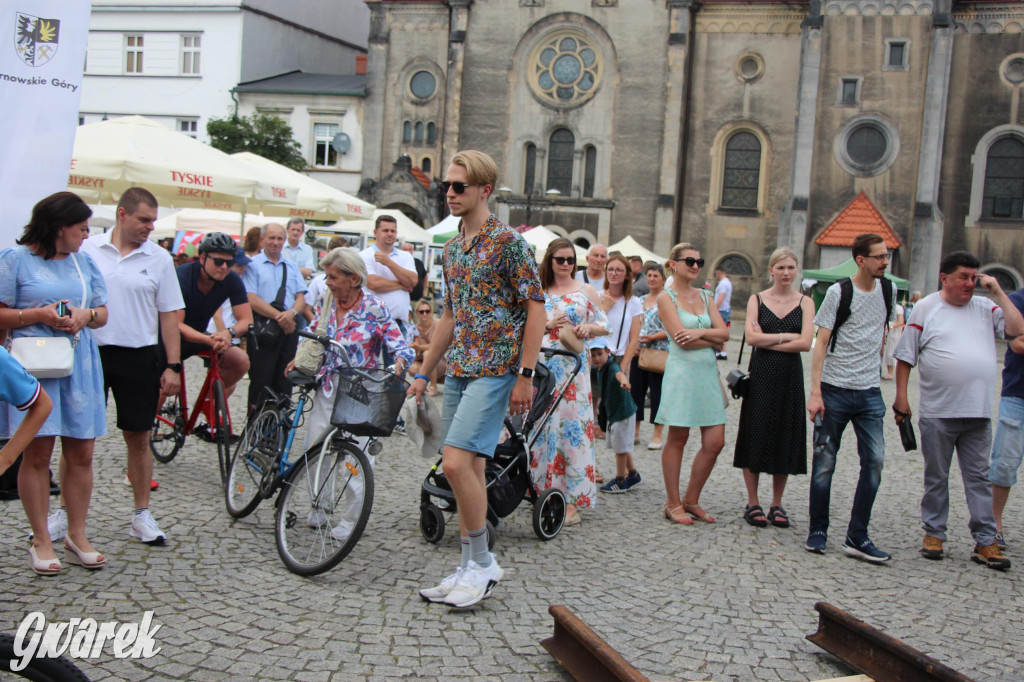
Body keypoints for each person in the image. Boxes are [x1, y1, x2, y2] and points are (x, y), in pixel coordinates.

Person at [411, 150, 545, 609]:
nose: (449, 193)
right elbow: (450, 315)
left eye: (458, 187)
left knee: (453, 463)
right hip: (462, 369)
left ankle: (483, 563)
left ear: (484, 190)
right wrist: (423, 371)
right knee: (466, 467)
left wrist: (525, 375)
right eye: (446, 186)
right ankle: (468, 566)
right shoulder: (451, 248)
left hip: (497, 368)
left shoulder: (508, 242)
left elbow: (536, 308)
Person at [0, 191, 109, 573]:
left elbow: (103, 312)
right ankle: (40, 538)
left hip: (78, 362)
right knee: (37, 455)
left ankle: (76, 533)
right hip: (34, 365)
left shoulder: (84, 262)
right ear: (59, 227)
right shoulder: (15, 260)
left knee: (82, 453)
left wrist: (86, 314)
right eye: (81, 228)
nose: (85, 234)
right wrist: (37, 314)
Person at [893, 251, 1023, 569]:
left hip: (977, 412)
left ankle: (986, 541)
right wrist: (901, 397)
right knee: (936, 476)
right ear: (945, 278)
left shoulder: (984, 307)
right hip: (939, 410)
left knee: (979, 478)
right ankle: (934, 533)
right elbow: (905, 357)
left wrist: (997, 291)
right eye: (963, 277)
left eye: (973, 278)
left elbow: (1017, 329)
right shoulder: (926, 308)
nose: (968, 283)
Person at [82, 187, 183, 546]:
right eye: (144, 219)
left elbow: (169, 314)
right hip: (90, 354)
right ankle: (64, 512)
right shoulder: (87, 248)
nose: (150, 227)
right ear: (122, 214)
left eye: (153, 221)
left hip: (139, 355)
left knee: (138, 437)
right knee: (79, 439)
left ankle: (141, 514)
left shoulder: (158, 258)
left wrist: (173, 365)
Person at [805, 233, 897, 562]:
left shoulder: (889, 289)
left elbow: (882, 332)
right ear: (861, 260)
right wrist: (815, 391)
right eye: (879, 257)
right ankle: (818, 530)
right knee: (824, 465)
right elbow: (821, 342)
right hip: (835, 390)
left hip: (870, 392)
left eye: (886, 256)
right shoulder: (838, 292)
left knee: (874, 462)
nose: (885, 261)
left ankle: (857, 536)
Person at [289, 248, 413, 452]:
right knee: (315, 451)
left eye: (333, 277)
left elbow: (401, 347)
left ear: (353, 278)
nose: (327, 282)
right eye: (327, 276)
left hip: (360, 390)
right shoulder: (325, 300)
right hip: (327, 386)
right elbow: (312, 331)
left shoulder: (374, 308)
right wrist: (299, 356)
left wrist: (399, 364)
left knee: (355, 457)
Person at [732, 247, 814, 529]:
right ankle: (752, 501)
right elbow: (751, 337)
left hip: (790, 376)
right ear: (771, 270)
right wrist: (786, 336)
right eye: (781, 268)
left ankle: (777, 502)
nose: (786, 273)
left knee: (785, 433)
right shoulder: (757, 299)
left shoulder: (805, 302)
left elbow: (806, 343)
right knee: (755, 431)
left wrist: (770, 337)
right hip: (762, 374)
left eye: (791, 267)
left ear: (796, 269)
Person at [530, 238, 609, 524]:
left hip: (573, 370)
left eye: (571, 260)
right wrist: (547, 325)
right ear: (549, 260)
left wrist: (588, 327)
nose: (566, 265)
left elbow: (605, 324)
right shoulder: (538, 290)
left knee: (571, 431)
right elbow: (523, 325)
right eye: (560, 259)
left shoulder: (585, 290)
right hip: (542, 366)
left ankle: (571, 499)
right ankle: (539, 489)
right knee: (541, 427)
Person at [656, 243, 730, 525]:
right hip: (682, 373)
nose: (696, 266)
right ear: (673, 264)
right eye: (689, 261)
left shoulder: (706, 295)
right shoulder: (666, 298)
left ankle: (692, 498)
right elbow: (679, 340)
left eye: (700, 261)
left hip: (707, 373)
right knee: (678, 438)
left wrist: (700, 331)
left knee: (715, 441)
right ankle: (673, 502)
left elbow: (723, 336)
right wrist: (711, 335)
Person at [174, 233, 253, 405]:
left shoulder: (231, 279)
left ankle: (204, 406)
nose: (224, 267)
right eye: (218, 261)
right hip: (170, 337)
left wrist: (228, 333)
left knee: (239, 362)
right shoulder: (182, 277)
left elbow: (246, 319)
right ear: (202, 258)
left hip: (201, 336)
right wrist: (209, 339)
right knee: (163, 388)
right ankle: (148, 427)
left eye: (230, 262)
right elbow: (177, 325)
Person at [242, 223, 306, 413]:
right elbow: (251, 298)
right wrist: (281, 317)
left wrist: (291, 314)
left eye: (279, 238)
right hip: (264, 330)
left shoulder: (292, 266)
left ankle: (279, 429)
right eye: (272, 238)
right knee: (261, 380)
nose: (275, 242)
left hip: (288, 329)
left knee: (284, 381)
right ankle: (256, 427)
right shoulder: (253, 265)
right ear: (263, 239)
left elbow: (301, 297)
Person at [990, 283, 1024, 551]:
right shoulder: (1017, 300)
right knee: (1004, 464)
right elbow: (1018, 342)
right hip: (1018, 395)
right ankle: (994, 525)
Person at [592, 337, 641, 495]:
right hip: (616, 414)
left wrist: (624, 382)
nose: (597, 358)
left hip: (622, 414)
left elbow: (619, 374)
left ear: (608, 352)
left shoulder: (611, 367)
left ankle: (621, 480)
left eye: (600, 353)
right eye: (593, 355)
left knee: (620, 448)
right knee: (623, 446)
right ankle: (633, 474)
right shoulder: (599, 369)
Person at [599, 254, 642, 423]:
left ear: (627, 275)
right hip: (596, 356)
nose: (614, 273)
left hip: (617, 357)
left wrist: (622, 368)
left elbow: (633, 339)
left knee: (614, 406)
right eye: (610, 269)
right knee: (594, 400)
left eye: (619, 270)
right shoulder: (596, 295)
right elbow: (591, 328)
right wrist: (604, 309)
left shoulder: (633, 302)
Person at [631, 262, 668, 450]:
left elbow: (671, 328)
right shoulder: (640, 299)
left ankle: (657, 434)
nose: (652, 279)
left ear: (663, 279)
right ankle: (635, 431)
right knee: (636, 391)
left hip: (658, 351)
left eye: (656, 276)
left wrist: (653, 337)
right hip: (638, 352)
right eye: (650, 275)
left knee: (657, 394)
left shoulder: (667, 300)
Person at [304, 236, 349, 323]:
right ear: (329, 253)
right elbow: (306, 310)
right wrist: (318, 327)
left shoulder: (353, 281)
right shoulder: (318, 281)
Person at [409, 299, 446, 396]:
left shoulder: (438, 324)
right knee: (412, 368)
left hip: (439, 361)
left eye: (427, 311)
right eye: (421, 312)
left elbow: (436, 346)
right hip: (421, 361)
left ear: (431, 312)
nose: (424, 314)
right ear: (417, 313)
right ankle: (424, 384)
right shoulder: (414, 328)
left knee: (428, 354)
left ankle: (433, 386)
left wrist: (419, 347)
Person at [881, 302, 905, 380]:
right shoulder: (887, 306)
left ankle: (890, 372)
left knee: (891, 352)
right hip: (887, 331)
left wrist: (891, 326)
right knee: (886, 351)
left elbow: (901, 321)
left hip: (894, 332)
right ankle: (888, 371)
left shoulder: (898, 308)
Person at [713, 266, 733, 360]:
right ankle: (723, 352)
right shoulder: (728, 282)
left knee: (718, 331)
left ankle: (718, 351)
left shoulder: (723, 284)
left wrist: (715, 309)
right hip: (726, 309)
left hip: (721, 310)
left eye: (716, 273)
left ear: (719, 272)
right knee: (723, 331)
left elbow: (721, 296)